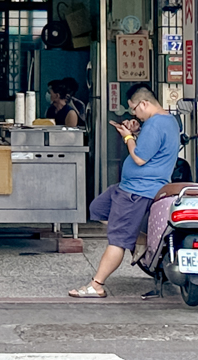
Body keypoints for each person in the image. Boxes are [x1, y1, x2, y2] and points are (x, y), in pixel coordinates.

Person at [68, 88, 180, 299]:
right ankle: (142, 239)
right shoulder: (168, 121)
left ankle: (97, 284)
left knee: (118, 239)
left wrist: (127, 136)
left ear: (144, 103)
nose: (134, 114)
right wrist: (136, 133)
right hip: (129, 187)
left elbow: (139, 158)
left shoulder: (156, 123)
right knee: (98, 208)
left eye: (134, 109)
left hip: (137, 191)